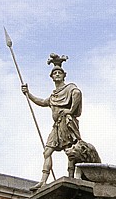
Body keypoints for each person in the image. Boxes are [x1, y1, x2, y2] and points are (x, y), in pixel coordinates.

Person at [22, 56, 83, 190]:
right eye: (54, 73)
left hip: (67, 123)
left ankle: (71, 177)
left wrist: (70, 110)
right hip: (56, 126)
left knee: (71, 151)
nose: (56, 74)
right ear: (52, 77)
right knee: (47, 152)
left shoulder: (69, 88)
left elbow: (77, 93)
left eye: (59, 73)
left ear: (63, 75)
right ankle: (43, 181)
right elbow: (42, 102)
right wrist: (28, 94)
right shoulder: (53, 95)